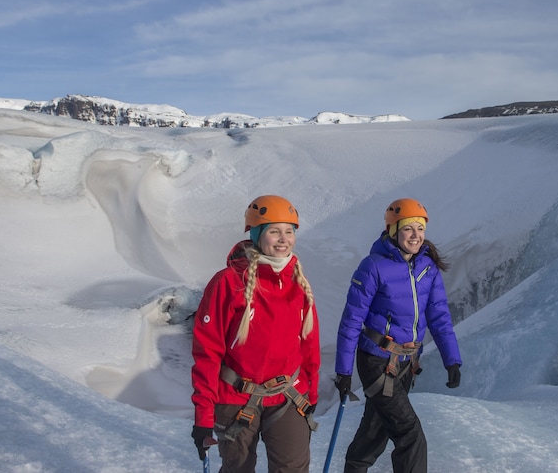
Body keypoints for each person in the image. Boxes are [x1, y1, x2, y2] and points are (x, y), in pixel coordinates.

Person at [190, 195, 320, 473]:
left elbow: (309, 346)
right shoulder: (228, 282)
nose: (283, 239)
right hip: (236, 396)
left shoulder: (298, 282)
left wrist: (311, 394)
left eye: (289, 231)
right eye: (274, 231)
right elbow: (207, 352)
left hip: (288, 396)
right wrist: (203, 414)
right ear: (258, 234)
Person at [334, 198, 462, 473]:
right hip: (376, 361)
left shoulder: (428, 268)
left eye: (420, 228)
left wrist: (452, 360)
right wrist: (343, 371)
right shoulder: (374, 266)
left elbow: (439, 316)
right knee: (410, 434)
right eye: (408, 229)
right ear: (393, 230)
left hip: (406, 363)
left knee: (374, 432)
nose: (416, 235)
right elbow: (352, 320)